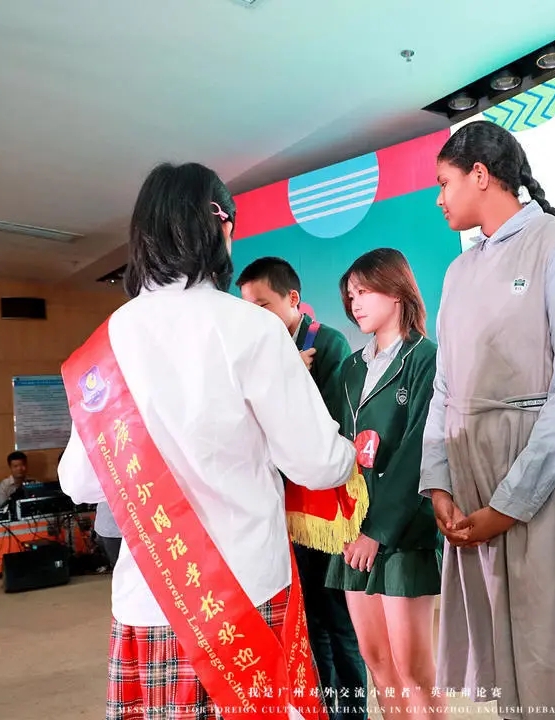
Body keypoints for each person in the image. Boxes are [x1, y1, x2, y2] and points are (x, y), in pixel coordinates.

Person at [57, 161, 357, 720]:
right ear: (221, 227)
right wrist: (350, 453)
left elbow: (78, 482)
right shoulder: (253, 328)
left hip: (150, 599)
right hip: (246, 594)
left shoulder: (107, 341)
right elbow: (317, 463)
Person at [420, 120, 555, 720]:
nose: (438, 199)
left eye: (443, 182)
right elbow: (445, 387)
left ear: (480, 174)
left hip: (548, 469)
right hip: (472, 475)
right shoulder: (459, 271)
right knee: (504, 656)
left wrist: (510, 503)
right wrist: (438, 482)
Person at [237, 256, 368, 720]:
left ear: (293, 299)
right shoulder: (267, 352)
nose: (254, 317)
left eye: (263, 305)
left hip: (325, 513)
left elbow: (326, 429)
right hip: (287, 511)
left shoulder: (327, 343)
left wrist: (290, 377)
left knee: (338, 622)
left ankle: (352, 712)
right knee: (310, 623)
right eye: (247, 308)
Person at [324, 248, 442, 720]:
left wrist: (377, 530)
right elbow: (337, 445)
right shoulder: (351, 368)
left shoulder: (426, 359)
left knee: (414, 671)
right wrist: (347, 525)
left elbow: (419, 451)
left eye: (364, 291)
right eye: (350, 295)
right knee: (378, 665)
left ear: (396, 291)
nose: (355, 303)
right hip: (353, 530)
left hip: (402, 532)